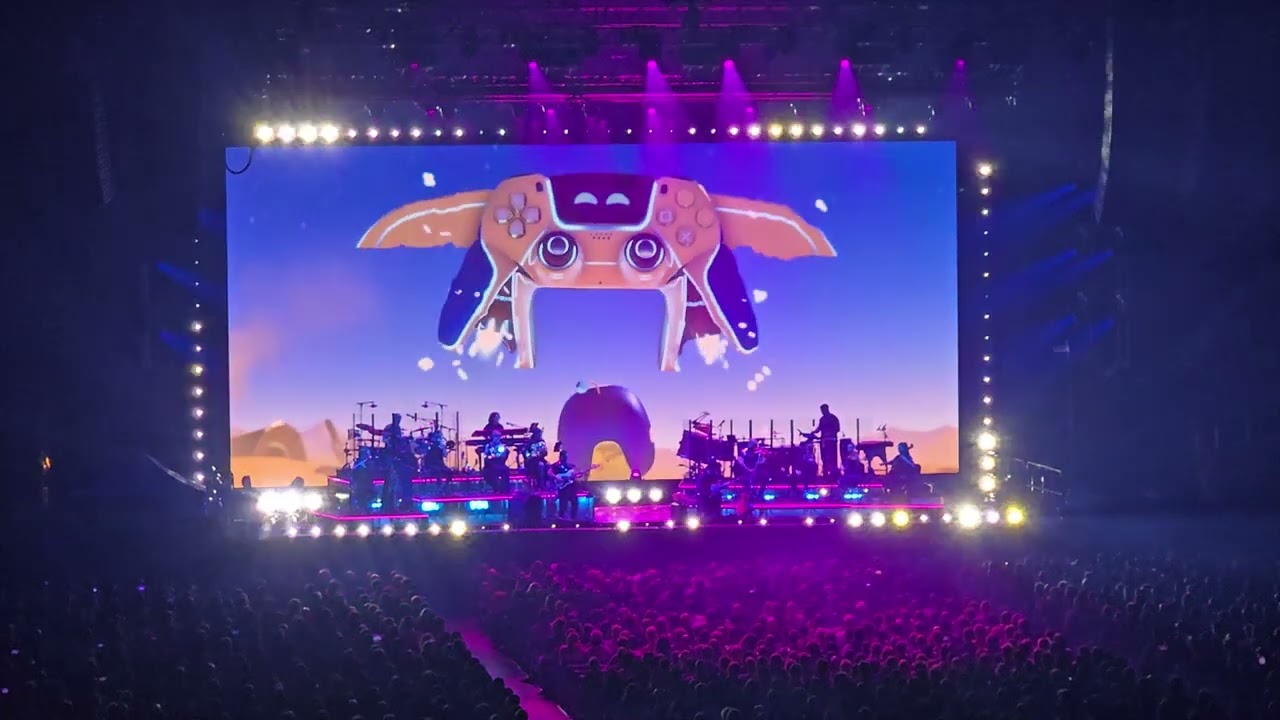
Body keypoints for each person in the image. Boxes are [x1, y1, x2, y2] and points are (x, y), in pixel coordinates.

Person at [549, 451, 579, 520]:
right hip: (562, 487)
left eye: (566, 456)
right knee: (563, 502)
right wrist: (557, 478)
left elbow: (573, 476)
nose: (566, 458)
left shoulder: (570, 466)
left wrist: (578, 475)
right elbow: (549, 473)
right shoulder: (555, 465)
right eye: (565, 456)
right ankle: (561, 516)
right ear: (561, 457)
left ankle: (573, 518)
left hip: (570, 486)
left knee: (574, 502)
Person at [815, 404, 841, 477]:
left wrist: (828, 433)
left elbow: (837, 429)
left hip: (830, 440)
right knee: (826, 457)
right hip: (826, 440)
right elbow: (818, 429)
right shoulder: (823, 419)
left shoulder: (832, 418)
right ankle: (827, 473)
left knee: (831, 457)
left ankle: (832, 473)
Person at [522, 424, 549, 489]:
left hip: (540, 459)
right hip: (531, 461)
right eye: (539, 434)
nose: (540, 435)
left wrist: (543, 452)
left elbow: (545, 453)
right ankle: (541, 485)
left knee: (548, 465)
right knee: (540, 465)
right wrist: (531, 455)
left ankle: (546, 483)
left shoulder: (542, 441)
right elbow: (525, 453)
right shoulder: (529, 442)